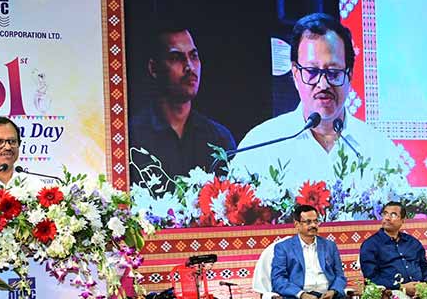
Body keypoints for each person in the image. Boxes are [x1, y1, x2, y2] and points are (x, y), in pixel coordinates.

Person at [232, 13, 404, 194]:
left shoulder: (379, 149)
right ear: (296, 74)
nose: (323, 84)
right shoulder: (262, 144)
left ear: (350, 75)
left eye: (333, 72)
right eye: (312, 72)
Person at [128, 26, 235, 184]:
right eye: (176, 58)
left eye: (193, 56)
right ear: (154, 68)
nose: (189, 67)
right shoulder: (132, 137)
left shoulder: (219, 137)